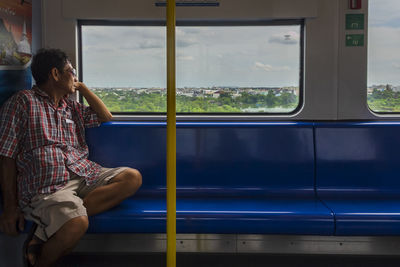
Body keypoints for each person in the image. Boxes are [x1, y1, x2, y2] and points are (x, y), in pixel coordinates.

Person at [0, 48, 142, 267]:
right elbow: (6, 156)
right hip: (46, 186)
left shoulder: (71, 107)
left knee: (132, 177)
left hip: (82, 173)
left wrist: (82, 88)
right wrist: (10, 207)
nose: (75, 76)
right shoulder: (23, 102)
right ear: (55, 74)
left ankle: (42, 233)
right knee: (77, 224)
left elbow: (105, 116)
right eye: (71, 71)